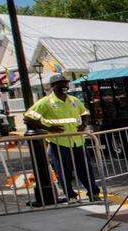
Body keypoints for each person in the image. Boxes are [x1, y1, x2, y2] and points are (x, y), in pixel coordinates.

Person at [24, 73, 100, 203]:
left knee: (86, 170)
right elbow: (28, 118)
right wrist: (48, 128)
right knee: (64, 172)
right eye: (61, 84)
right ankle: (70, 195)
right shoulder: (46, 102)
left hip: (78, 141)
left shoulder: (73, 100)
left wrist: (84, 124)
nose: (64, 86)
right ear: (53, 86)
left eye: (65, 83)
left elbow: (85, 113)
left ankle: (93, 193)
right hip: (59, 143)